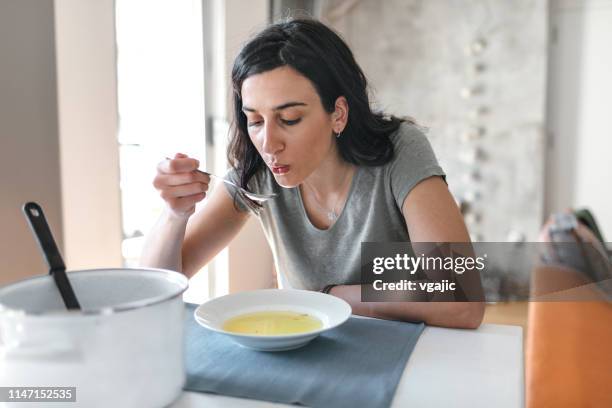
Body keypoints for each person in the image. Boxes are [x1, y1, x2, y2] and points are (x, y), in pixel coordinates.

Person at [140, 18, 484, 329]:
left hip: (401, 355)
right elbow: (156, 289)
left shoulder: (399, 150)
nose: (269, 143)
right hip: (303, 353)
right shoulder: (256, 175)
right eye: (255, 120)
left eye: (289, 119)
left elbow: (461, 299)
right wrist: (175, 214)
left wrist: (337, 296)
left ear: (338, 113)